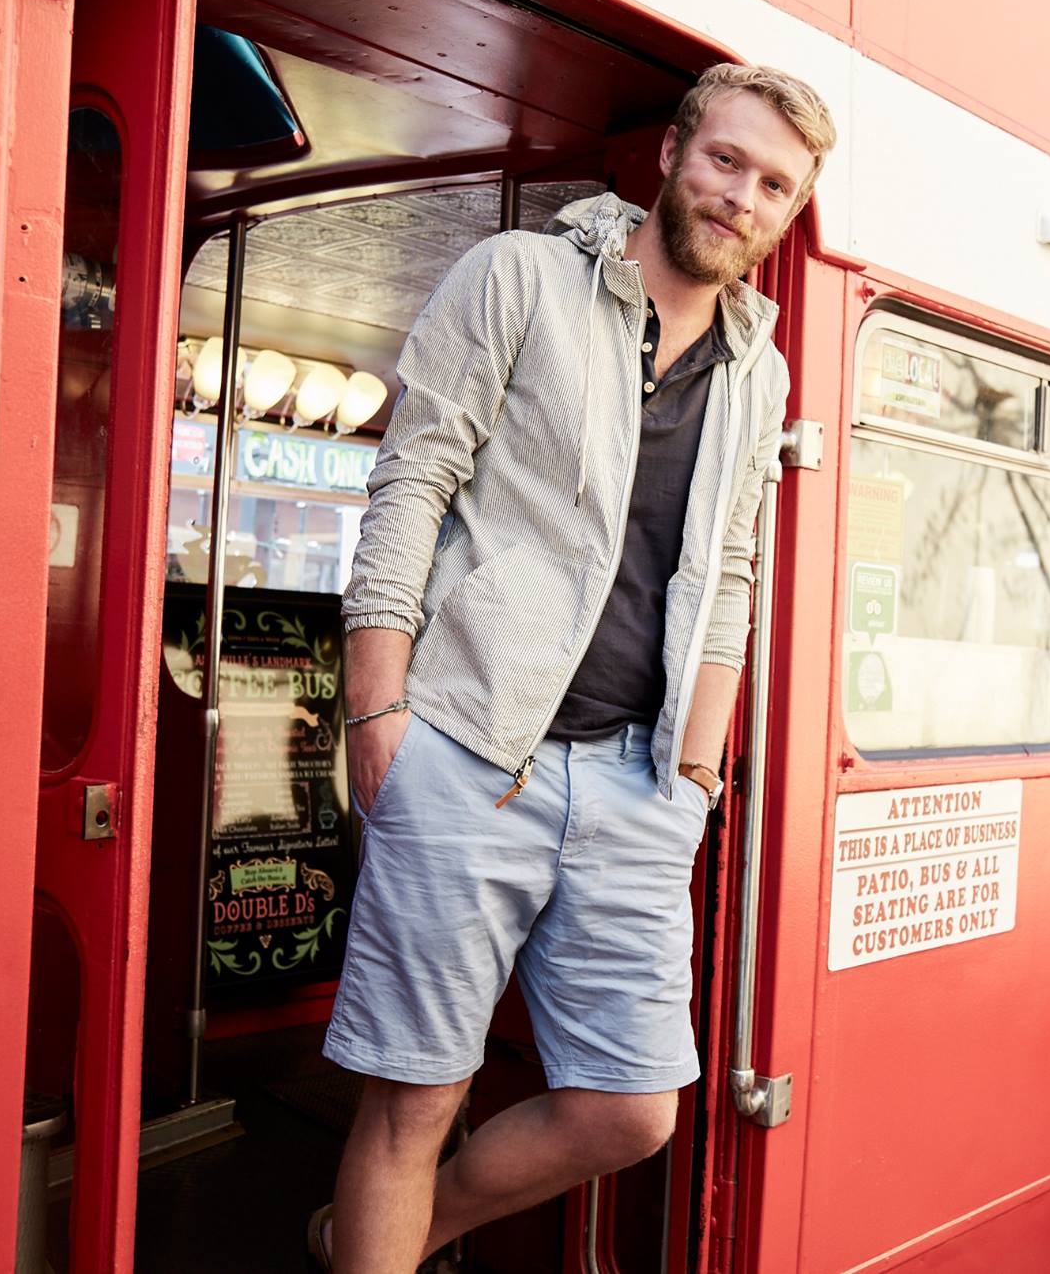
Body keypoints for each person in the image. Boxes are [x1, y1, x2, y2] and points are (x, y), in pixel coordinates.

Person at [308, 63, 835, 1272]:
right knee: (414, 1098)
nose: (740, 196)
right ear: (671, 154)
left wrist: (694, 771)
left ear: (787, 210)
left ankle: (375, 1242)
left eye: (772, 185)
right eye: (725, 160)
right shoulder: (517, 278)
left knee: (631, 1110)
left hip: (636, 785)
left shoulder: (757, 373)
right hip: (464, 748)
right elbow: (412, 480)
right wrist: (376, 708)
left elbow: (730, 572)